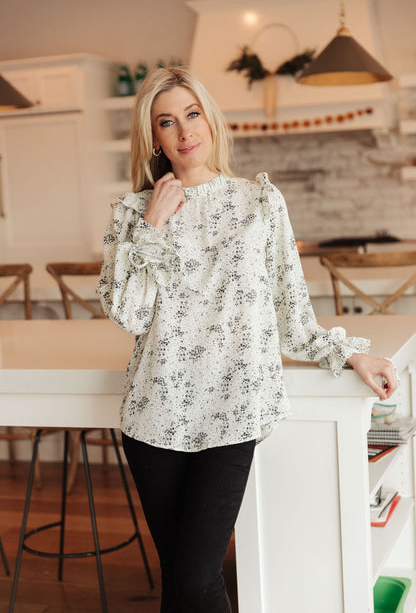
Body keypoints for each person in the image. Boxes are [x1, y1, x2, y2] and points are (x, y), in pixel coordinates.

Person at [97, 66, 397, 613]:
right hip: (155, 413)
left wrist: (349, 352)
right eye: (167, 122)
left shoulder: (259, 201)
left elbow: (291, 314)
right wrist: (152, 226)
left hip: (232, 410)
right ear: (154, 138)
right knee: (181, 585)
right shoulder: (133, 213)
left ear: (210, 118)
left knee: (197, 581)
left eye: (192, 114)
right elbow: (128, 314)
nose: (185, 130)